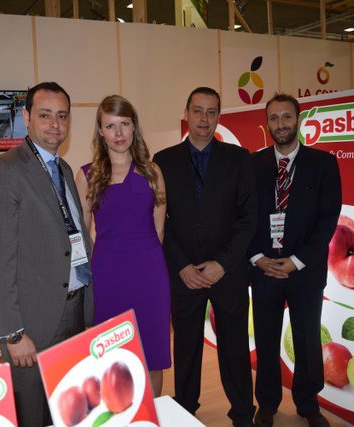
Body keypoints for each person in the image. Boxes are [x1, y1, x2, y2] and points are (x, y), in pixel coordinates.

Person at [0, 82, 93, 427]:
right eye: (45, 115)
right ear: (26, 117)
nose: (55, 124)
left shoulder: (64, 169)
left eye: (62, 116)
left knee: (66, 411)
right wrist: (12, 334)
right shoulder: (4, 171)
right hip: (31, 323)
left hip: (73, 312)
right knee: (32, 415)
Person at [153, 87, 257, 426]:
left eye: (211, 112)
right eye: (198, 111)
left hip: (228, 273)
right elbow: (159, 220)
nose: (204, 119)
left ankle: (242, 413)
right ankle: (186, 409)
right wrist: (181, 265)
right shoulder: (163, 161)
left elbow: (248, 218)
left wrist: (223, 263)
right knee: (186, 347)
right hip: (183, 273)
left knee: (235, 348)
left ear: (219, 117)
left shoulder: (239, 159)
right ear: (186, 114)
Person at [249, 93, 341, 427]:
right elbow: (243, 216)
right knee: (266, 338)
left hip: (305, 271)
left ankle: (308, 403)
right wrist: (257, 257)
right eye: (274, 118)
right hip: (264, 269)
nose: (281, 124)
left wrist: (297, 260)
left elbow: (328, 220)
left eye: (287, 117)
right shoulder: (253, 165)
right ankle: (267, 403)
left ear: (298, 120)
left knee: (307, 339)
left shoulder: (323, 163)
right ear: (267, 123)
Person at [75, 95, 170, 396]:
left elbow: (159, 229)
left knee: (152, 356)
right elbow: (81, 235)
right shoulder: (87, 176)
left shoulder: (153, 172)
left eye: (124, 124)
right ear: (100, 131)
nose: (118, 133)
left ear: (134, 127)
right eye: (110, 126)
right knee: (111, 359)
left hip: (149, 275)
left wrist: (144, 263)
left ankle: (151, 415)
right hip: (107, 276)